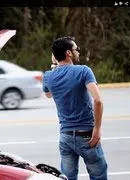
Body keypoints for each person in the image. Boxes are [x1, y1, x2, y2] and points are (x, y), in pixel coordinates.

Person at [42, 37, 108, 180]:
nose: (78, 51)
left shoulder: (48, 76)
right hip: (86, 134)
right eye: (76, 49)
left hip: (65, 136)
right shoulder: (83, 71)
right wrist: (97, 129)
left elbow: (48, 94)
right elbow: (98, 100)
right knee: (98, 175)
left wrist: (55, 65)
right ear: (68, 53)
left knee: (67, 177)